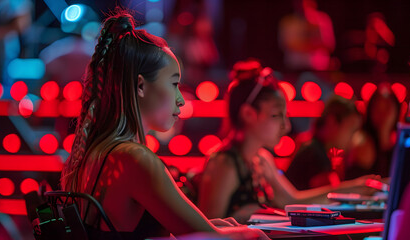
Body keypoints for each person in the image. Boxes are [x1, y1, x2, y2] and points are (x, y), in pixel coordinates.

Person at [60, 10, 268, 240]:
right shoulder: (136, 158)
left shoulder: (98, 152)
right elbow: (210, 238)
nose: (180, 98)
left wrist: (217, 228)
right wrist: (251, 233)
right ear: (140, 86)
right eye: (174, 84)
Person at [198, 59, 375, 223]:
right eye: (277, 115)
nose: (287, 126)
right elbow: (205, 230)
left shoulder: (262, 159)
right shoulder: (225, 163)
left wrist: (357, 187)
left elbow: (292, 200)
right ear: (248, 114)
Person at [286, 95, 362, 190]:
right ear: (332, 121)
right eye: (351, 129)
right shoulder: (314, 154)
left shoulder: (315, 149)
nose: (353, 138)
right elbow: (326, 196)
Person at [345, 83, 400, 180]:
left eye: (387, 107)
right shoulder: (363, 142)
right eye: (377, 108)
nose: (382, 114)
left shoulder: (402, 143)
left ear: (396, 110)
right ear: (370, 111)